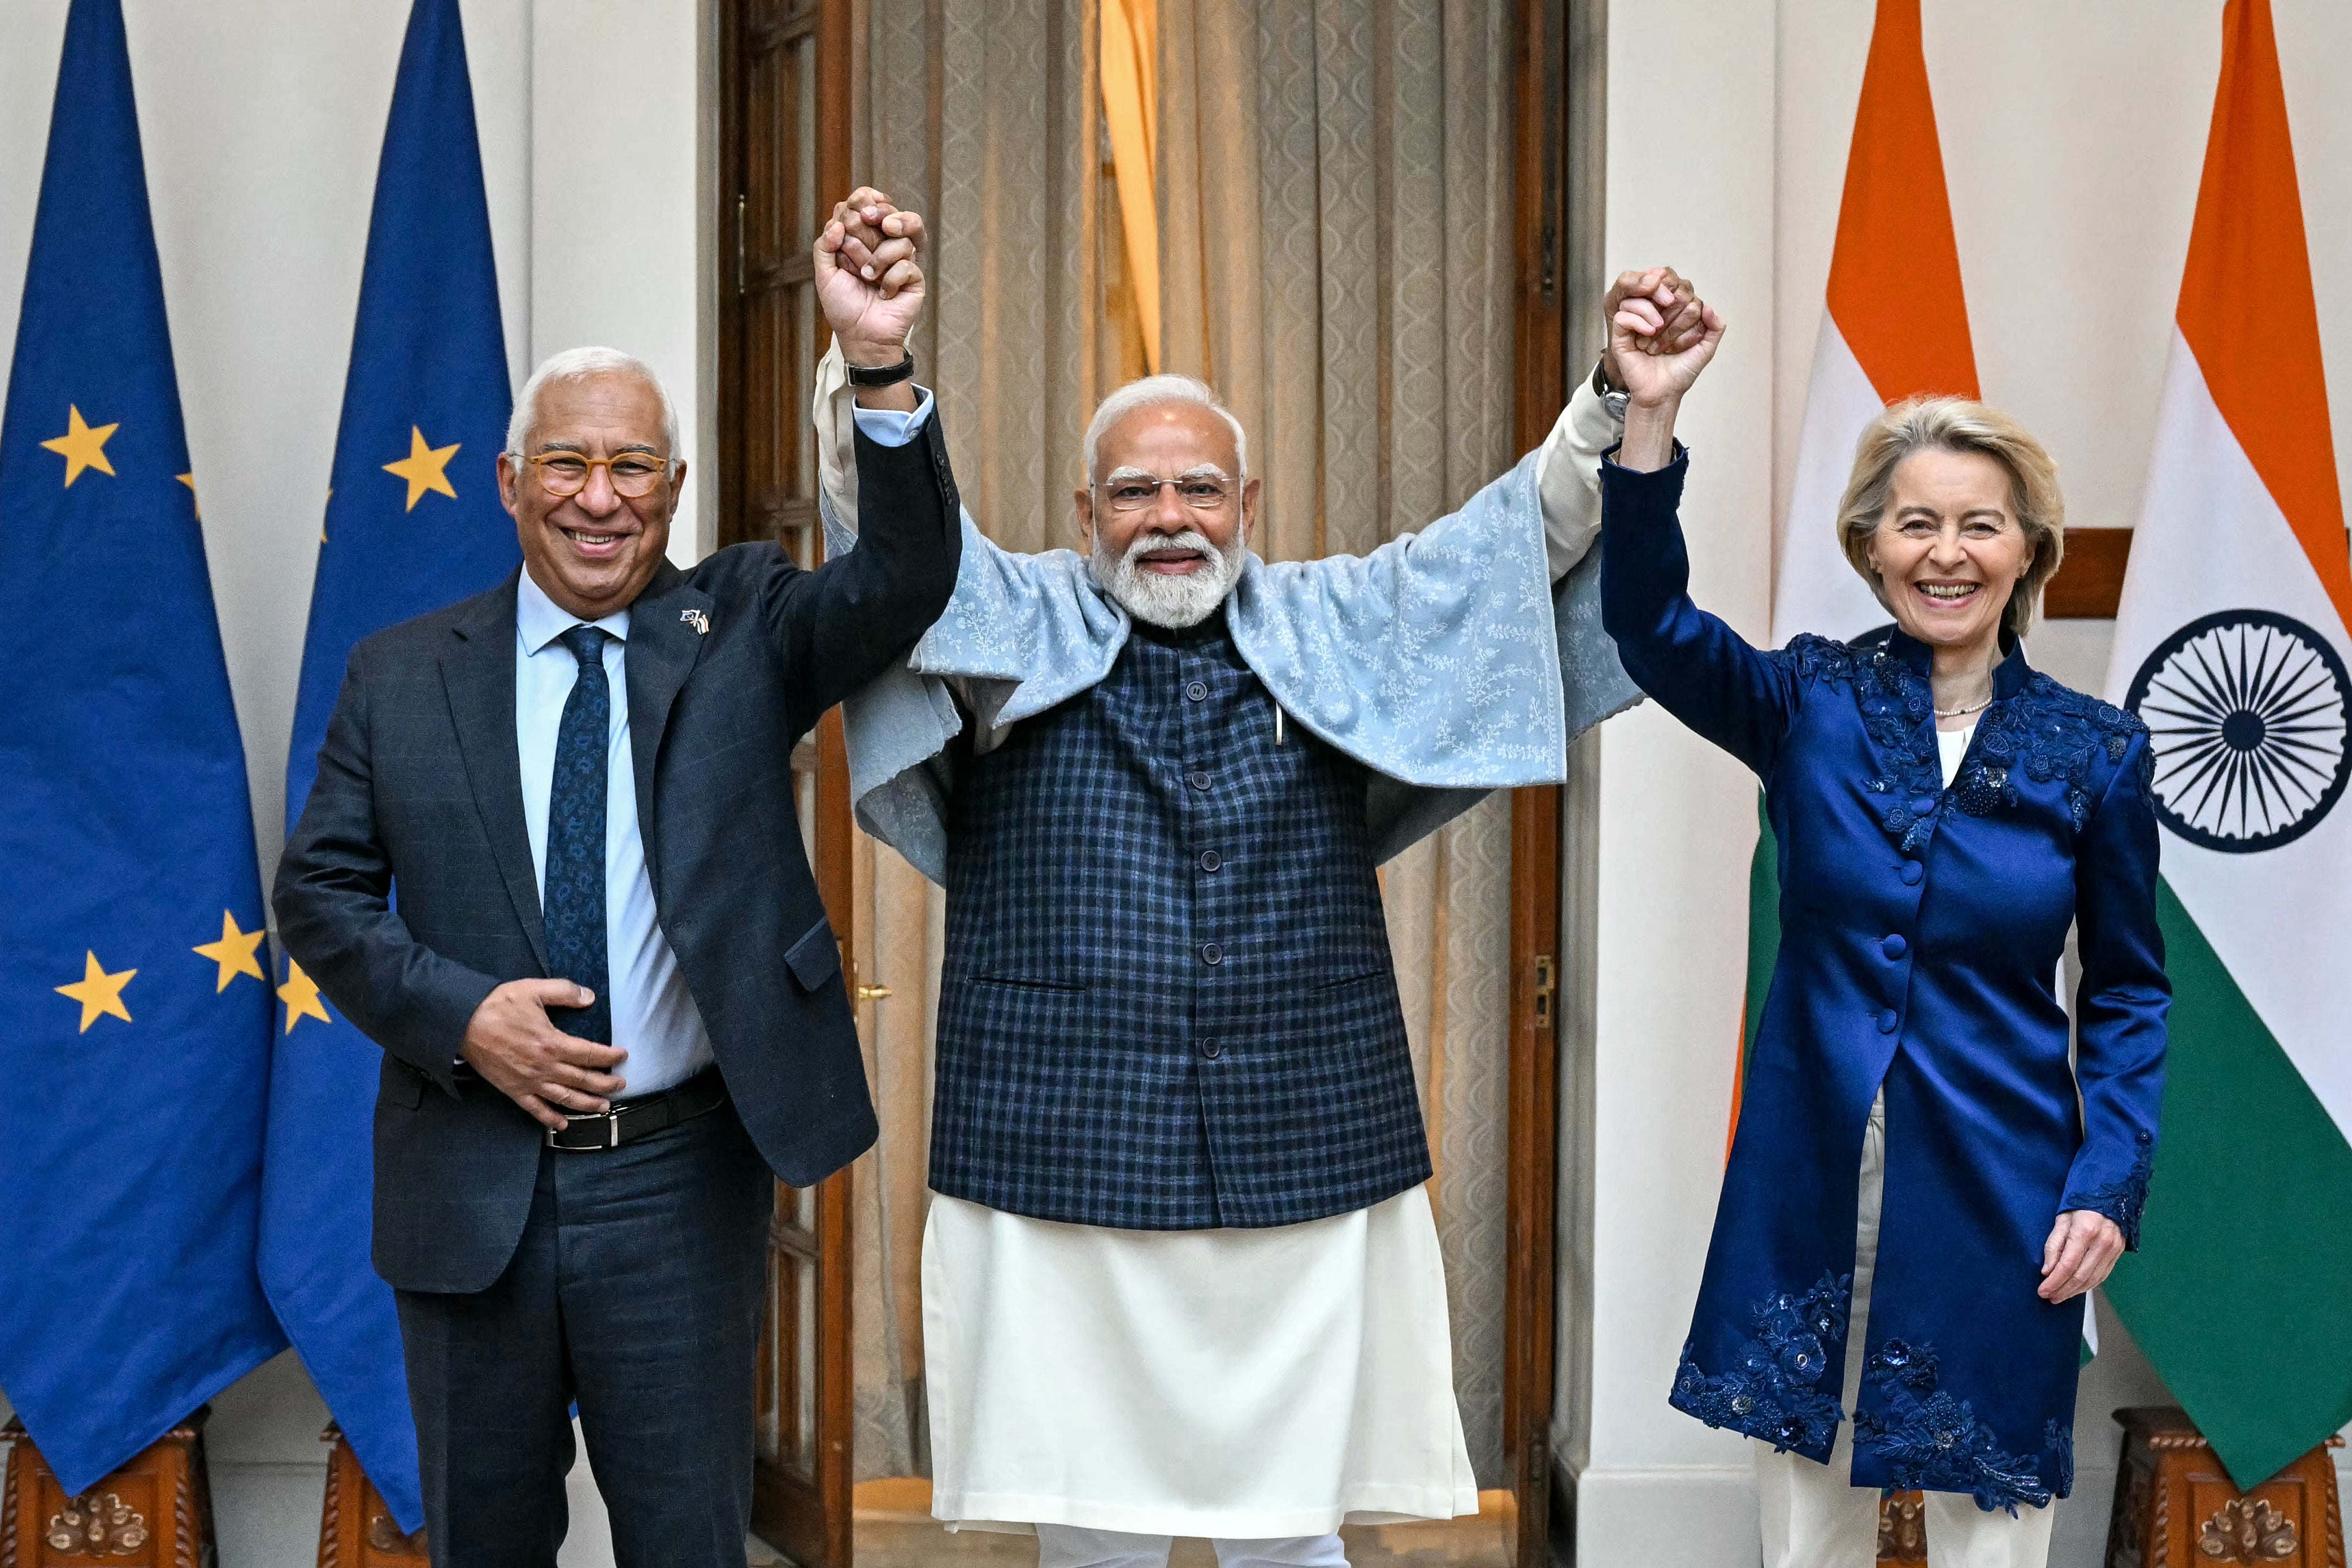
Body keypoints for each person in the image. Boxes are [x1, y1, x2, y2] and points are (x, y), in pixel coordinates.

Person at [813, 193, 1694, 1568]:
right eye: (1135, 491)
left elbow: (1517, 543)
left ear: (1249, 503)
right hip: (1059, 1144)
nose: (1170, 518)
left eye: (1199, 487)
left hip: (1307, 1137)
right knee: (1091, 1531)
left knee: (1297, 1533)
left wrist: (1611, 402)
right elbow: (892, 547)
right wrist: (878, 367)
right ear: (1082, 510)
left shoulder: (1336, 614)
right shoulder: (1008, 610)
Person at [272, 205, 959, 1568]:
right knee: (486, 1542)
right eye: (570, 464)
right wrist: (462, 1016)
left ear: (676, 483)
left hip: (676, 1183)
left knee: (688, 1542)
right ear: (510, 480)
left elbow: (903, 577)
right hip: (469, 1182)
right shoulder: (402, 673)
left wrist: (875, 365)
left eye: (633, 466)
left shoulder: (749, 623)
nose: (601, 495)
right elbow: (322, 898)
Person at [1593, 286, 2169, 1567]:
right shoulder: (1806, 700)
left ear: (2027, 550)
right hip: (1810, 1176)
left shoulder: (2097, 752)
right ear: (1869, 545)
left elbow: (2130, 989)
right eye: (1916, 522)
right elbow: (1649, 627)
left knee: (1994, 1529)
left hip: (2004, 1183)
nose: (1946, 551)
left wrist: (2108, 1184)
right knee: (1810, 1532)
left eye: (1979, 524)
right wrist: (1649, 416)